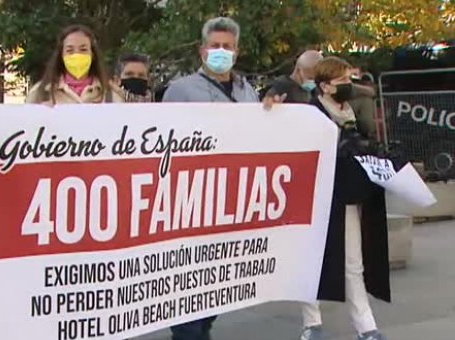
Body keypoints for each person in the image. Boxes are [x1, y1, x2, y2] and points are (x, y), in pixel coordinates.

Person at [162, 16, 282, 340]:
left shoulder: (248, 93)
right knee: (189, 290)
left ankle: (202, 327)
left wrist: (275, 114)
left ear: (237, 51)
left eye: (227, 47)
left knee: (216, 285)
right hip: (191, 201)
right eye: (214, 46)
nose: (220, 51)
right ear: (202, 51)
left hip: (232, 203)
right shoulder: (180, 90)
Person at [300, 56, 389, 340]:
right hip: (316, 196)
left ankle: (366, 327)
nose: (348, 86)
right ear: (325, 86)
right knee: (311, 260)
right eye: (342, 82)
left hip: (346, 193)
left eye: (349, 80)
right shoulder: (311, 113)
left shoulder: (349, 112)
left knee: (353, 263)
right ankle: (311, 324)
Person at [26, 24, 123, 104]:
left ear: (92, 54)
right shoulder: (40, 92)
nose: (77, 54)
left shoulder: (111, 94)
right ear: (61, 55)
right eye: (70, 50)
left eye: (83, 49)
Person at [349, 66, 378, 139]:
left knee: (366, 100)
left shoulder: (365, 78)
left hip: (358, 110)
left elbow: (372, 91)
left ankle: (368, 135)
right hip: (342, 107)